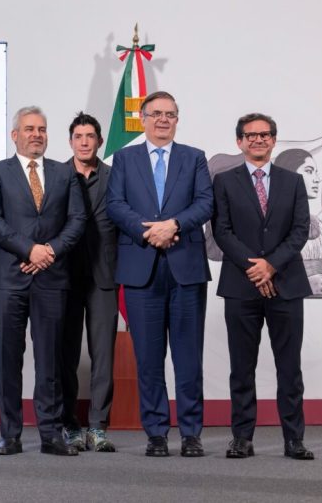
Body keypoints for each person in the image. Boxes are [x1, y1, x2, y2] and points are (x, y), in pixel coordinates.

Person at [106, 90, 213, 458]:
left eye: (170, 114)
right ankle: (156, 433)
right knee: (149, 360)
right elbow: (115, 204)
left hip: (186, 269)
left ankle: (191, 434)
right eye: (156, 114)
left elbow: (205, 203)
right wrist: (149, 231)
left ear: (177, 120)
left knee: (188, 359)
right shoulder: (124, 158)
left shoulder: (194, 157)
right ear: (143, 119)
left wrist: (174, 225)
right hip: (141, 269)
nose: (163, 120)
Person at [0, 106, 85, 456]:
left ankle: (51, 434)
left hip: (52, 277)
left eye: (41, 129)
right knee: (8, 359)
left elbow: (77, 220)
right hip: (8, 279)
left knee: (50, 360)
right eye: (29, 129)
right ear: (15, 135)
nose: (36, 134)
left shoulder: (64, 173)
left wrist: (49, 251)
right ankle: (10, 435)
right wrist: (29, 250)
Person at [212, 114, 314, 460]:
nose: (258, 139)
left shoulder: (293, 181)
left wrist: (271, 265)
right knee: (242, 368)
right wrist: (254, 267)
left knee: (290, 368)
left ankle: (294, 439)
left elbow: (300, 230)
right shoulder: (224, 181)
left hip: (286, 284)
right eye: (251, 135)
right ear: (239, 141)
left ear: (273, 140)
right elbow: (221, 231)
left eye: (265, 134)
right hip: (241, 286)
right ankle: (242, 438)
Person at [60, 113, 119, 452]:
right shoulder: (56, 176)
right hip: (64, 277)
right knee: (65, 354)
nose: (84, 142)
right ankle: (70, 425)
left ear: (99, 141)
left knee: (103, 355)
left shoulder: (116, 176)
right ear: (71, 141)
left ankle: (98, 426)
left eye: (90, 136)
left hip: (104, 275)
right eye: (78, 136)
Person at [274, 148, 322, 296]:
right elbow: (255, 281)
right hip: (288, 306)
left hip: (320, 308)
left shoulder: (316, 224)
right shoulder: (269, 224)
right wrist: (303, 284)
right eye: (309, 171)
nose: (316, 179)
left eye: (316, 172)